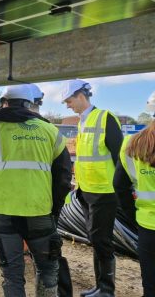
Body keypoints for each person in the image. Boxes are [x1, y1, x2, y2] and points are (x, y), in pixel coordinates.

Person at [0, 85, 72, 297]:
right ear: (29, 104)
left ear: (5, 103)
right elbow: (63, 177)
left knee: (12, 274)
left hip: (2, 212)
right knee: (47, 270)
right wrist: (55, 209)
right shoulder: (51, 131)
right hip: (40, 212)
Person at [61, 79, 122, 297]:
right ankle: (101, 286)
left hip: (104, 192)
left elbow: (120, 157)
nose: (67, 105)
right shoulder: (82, 122)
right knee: (96, 239)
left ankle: (107, 290)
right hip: (87, 192)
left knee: (102, 241)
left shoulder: (105, 118)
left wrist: (121, 189)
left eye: (68, 100)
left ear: (80, 96)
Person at [114, 91, 155, 297]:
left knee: (150, 286)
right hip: (146, 225)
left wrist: (134, 218)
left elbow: (120, 186)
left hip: (148, 227)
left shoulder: (133, 143)